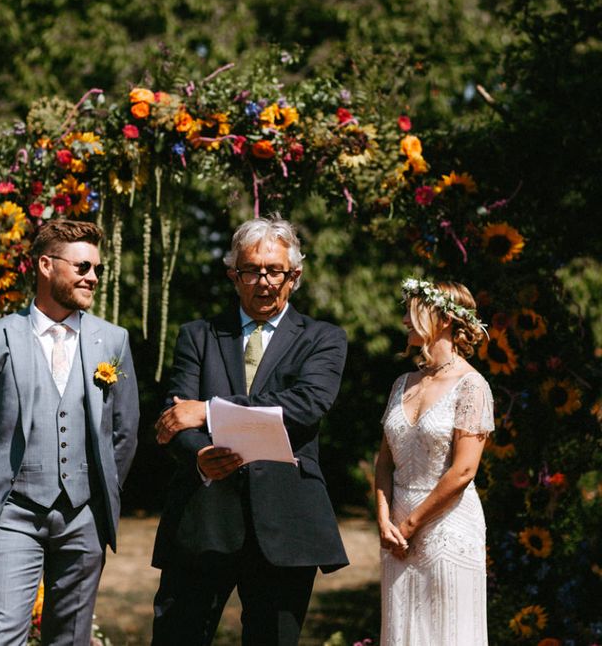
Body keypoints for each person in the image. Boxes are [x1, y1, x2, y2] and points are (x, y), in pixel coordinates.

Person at [151, 214, 349, 646]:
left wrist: (208, 411)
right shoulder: (197, 335)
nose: (263, 281)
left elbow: (304, 406)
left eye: (274, 270)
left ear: (293, 276)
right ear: (233, 275)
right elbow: (174, 415)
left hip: (286, 523)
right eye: (250, 270)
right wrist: (199, 455)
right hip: (202, 518)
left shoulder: (323, 338)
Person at [0, 219, 139, 645]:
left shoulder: (112, 340)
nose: (92, 277)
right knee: (1, 636)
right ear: (45, 265)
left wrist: (98, 493)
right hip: (13, 514)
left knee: (71, 640)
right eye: (81, 267)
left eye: (96, 269)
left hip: (84, 517)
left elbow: (124, 432)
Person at [375, 278, 493, 645]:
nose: (405, 320)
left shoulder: (472, 386)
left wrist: (409, 525)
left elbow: (463, 471)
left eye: (413, 311)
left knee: (447, 630)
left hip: (447, 527)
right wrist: (383, 519)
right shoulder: (402, 383)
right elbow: (383, 462)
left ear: (443, 318)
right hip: (397, 530)